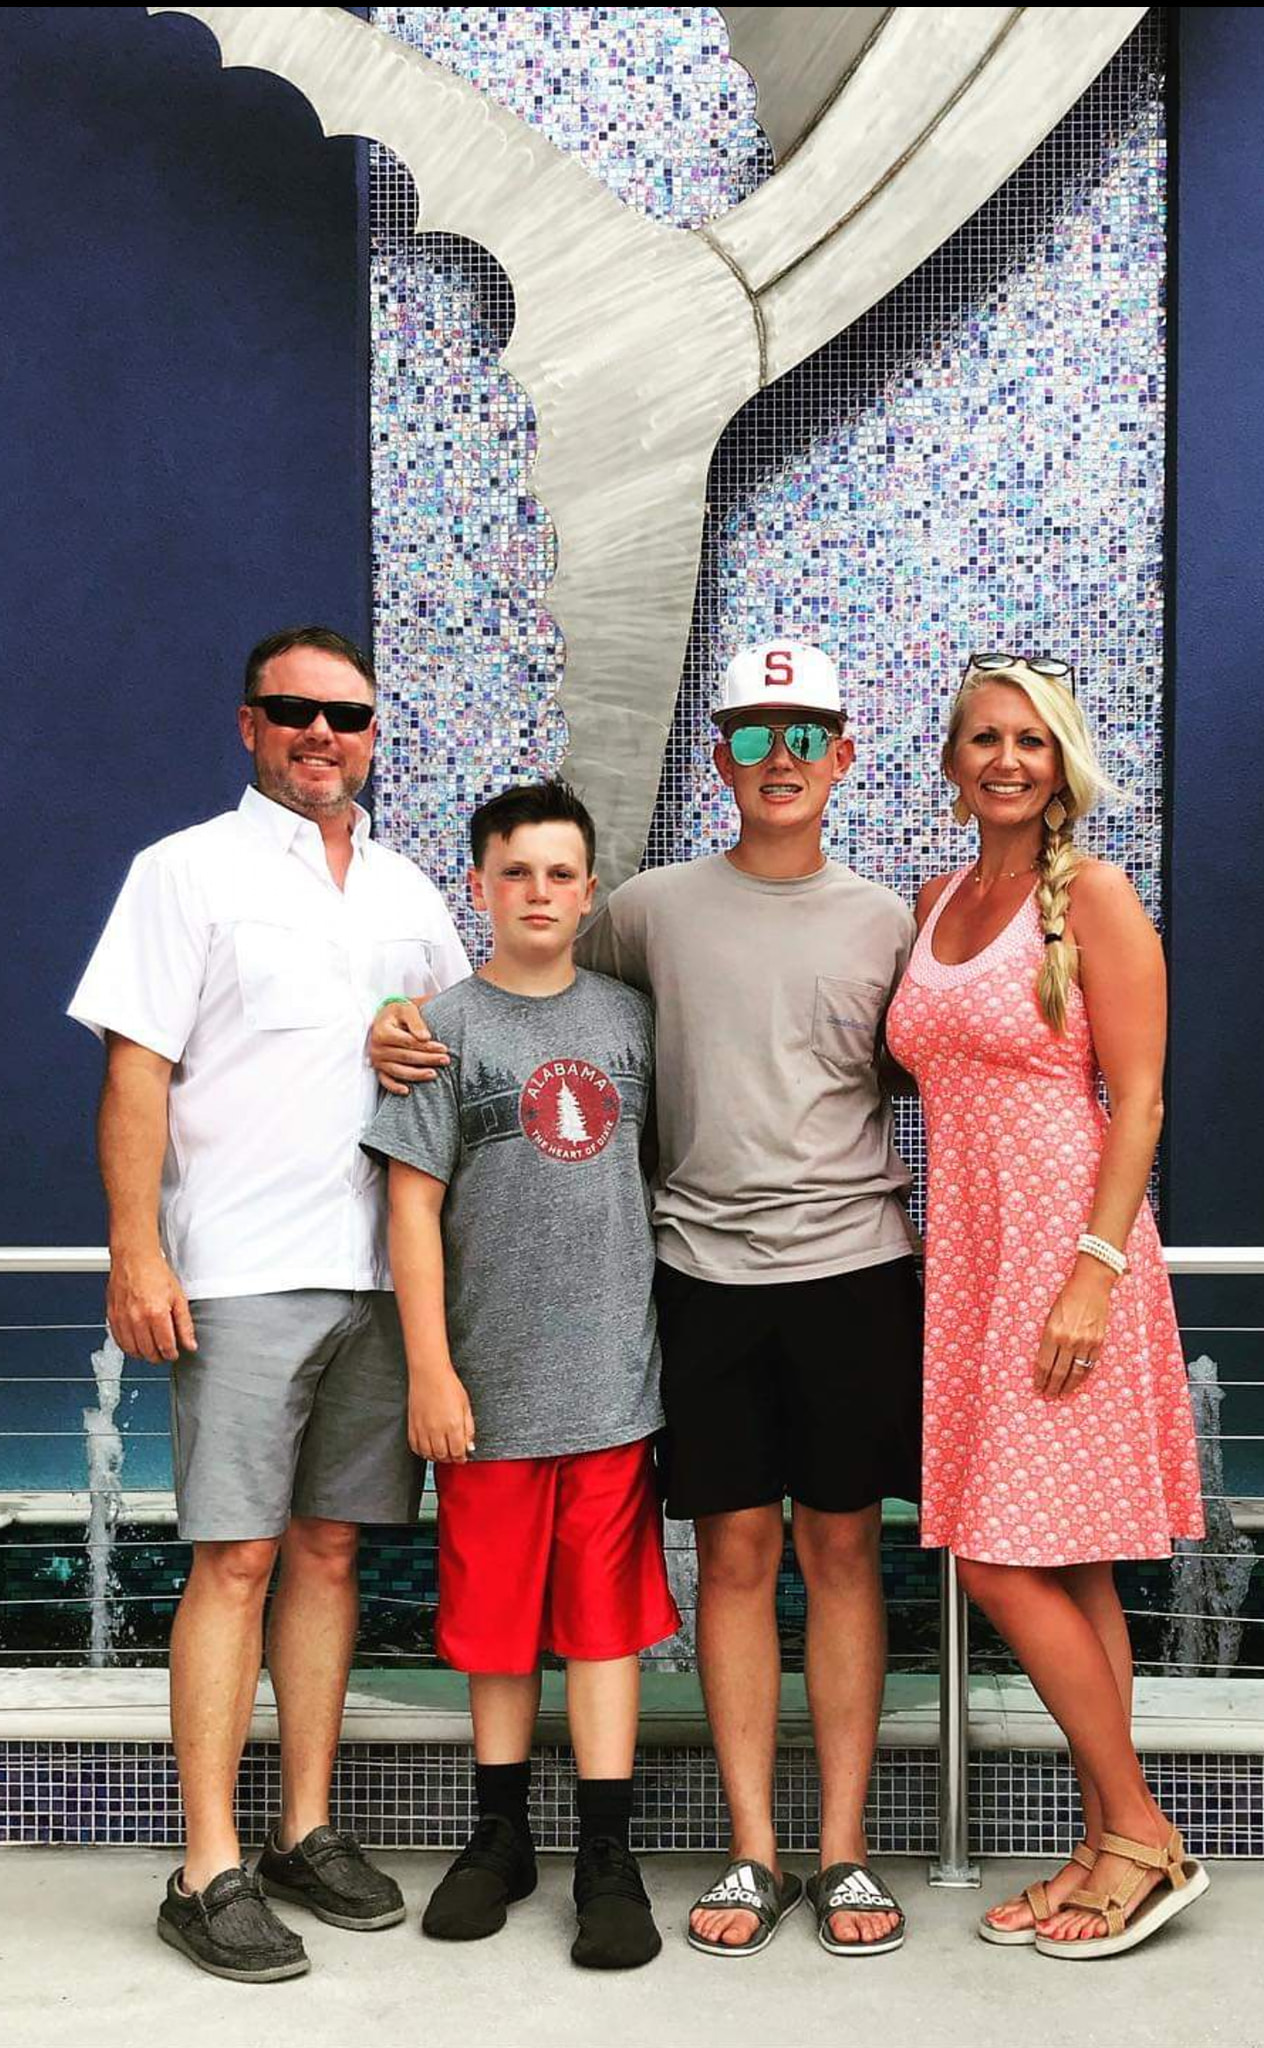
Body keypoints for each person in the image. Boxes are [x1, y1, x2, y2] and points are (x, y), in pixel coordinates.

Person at [372, 639, 922, 1959]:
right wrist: (395, 1015)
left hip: (852, 1271)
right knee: (731, 1555)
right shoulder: (649, 912)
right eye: (753, 734)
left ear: (843, 756)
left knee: (844, 1550)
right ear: (719, 756)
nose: (779, 756)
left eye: (804, 733)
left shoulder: (890, 924)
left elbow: (949, 1060)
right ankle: (752, 1850)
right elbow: (524, 993)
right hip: (704, 1282)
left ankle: (844, 1850)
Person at [68, 625, 470, 1983]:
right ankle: (206, 1866)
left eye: (345, 716)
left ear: (372, 735)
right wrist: (137, 1248)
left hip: (378, 1272)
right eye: (292, 710)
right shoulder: (185, 872)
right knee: (234, 1559)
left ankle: (302, 1828)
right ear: (248, 723)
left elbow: (454, 1053)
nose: (320, 734)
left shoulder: (409, 892)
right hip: (238, 1268)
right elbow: (137, 1072)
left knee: (330, 1551)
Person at [885, 651, 1208, 1961]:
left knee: (996, 1553)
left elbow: (1141, 1100)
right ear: (952, 762)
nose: (1007, 759)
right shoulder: (936, 898)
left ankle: (1143, 1831)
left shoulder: (1101, 899)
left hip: (1071, 1257)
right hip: (972, 1259)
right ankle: (1097, 1849)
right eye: (984, 739)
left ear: (1059, 760)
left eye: (1030, 739)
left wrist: (1092, 1269)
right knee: (1068, 1565)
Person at [361, 778, 677, 1970]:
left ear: (588, 890)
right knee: (496, 1628)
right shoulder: (441, 1029)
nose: (538, 892)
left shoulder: (632, 1021)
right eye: (515, 872)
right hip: (487, 1389)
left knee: (602, 1629)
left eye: (558, 873)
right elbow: (411, 1207)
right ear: (479, 886)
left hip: (610, 1384)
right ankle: (500, 1832)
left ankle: (606, 1849)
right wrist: (430, 1370)